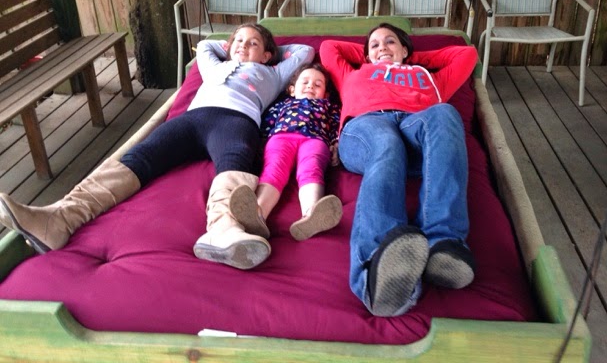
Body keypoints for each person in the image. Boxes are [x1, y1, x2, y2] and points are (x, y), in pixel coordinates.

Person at [0, 23, 314, 270]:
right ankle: (59, 218)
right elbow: (206, 45)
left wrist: (270, 51)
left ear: (267, 55)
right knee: (139, 157)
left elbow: (305, 51)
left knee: (237, 161)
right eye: (239, 41)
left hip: (236, 121)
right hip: (193, 118)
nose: (243, 46)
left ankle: (223, 229)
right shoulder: (212, 65)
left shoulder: (272, 74)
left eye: (253, 43)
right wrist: (230, 47)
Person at [319, 23, 478, 317]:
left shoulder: (429, 77)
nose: (382, 47)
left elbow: (467, 54)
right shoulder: (352, 72)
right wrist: (375, 56)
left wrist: (409, 57)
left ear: (405, 49)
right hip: (365, 128)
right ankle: (376, 264)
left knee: (445, 113)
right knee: (387, 144)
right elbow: (329, 47)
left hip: (415, 128)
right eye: (374, 44)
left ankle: (442, 242)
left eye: (390, 41)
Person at [229, 62, 343, 243]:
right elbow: (267, 123)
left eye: (318, 84)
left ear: (326, 94)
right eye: (305, 82)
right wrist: (260, 144)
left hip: (315, 139)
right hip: (281, 137)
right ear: (291, 89)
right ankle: (258, 214)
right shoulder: (283, 104)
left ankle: (311, 215)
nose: (310, 86)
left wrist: (336, 144)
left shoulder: (329, 106)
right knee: (273, 170)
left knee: (311, 169)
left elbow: (338, 126)